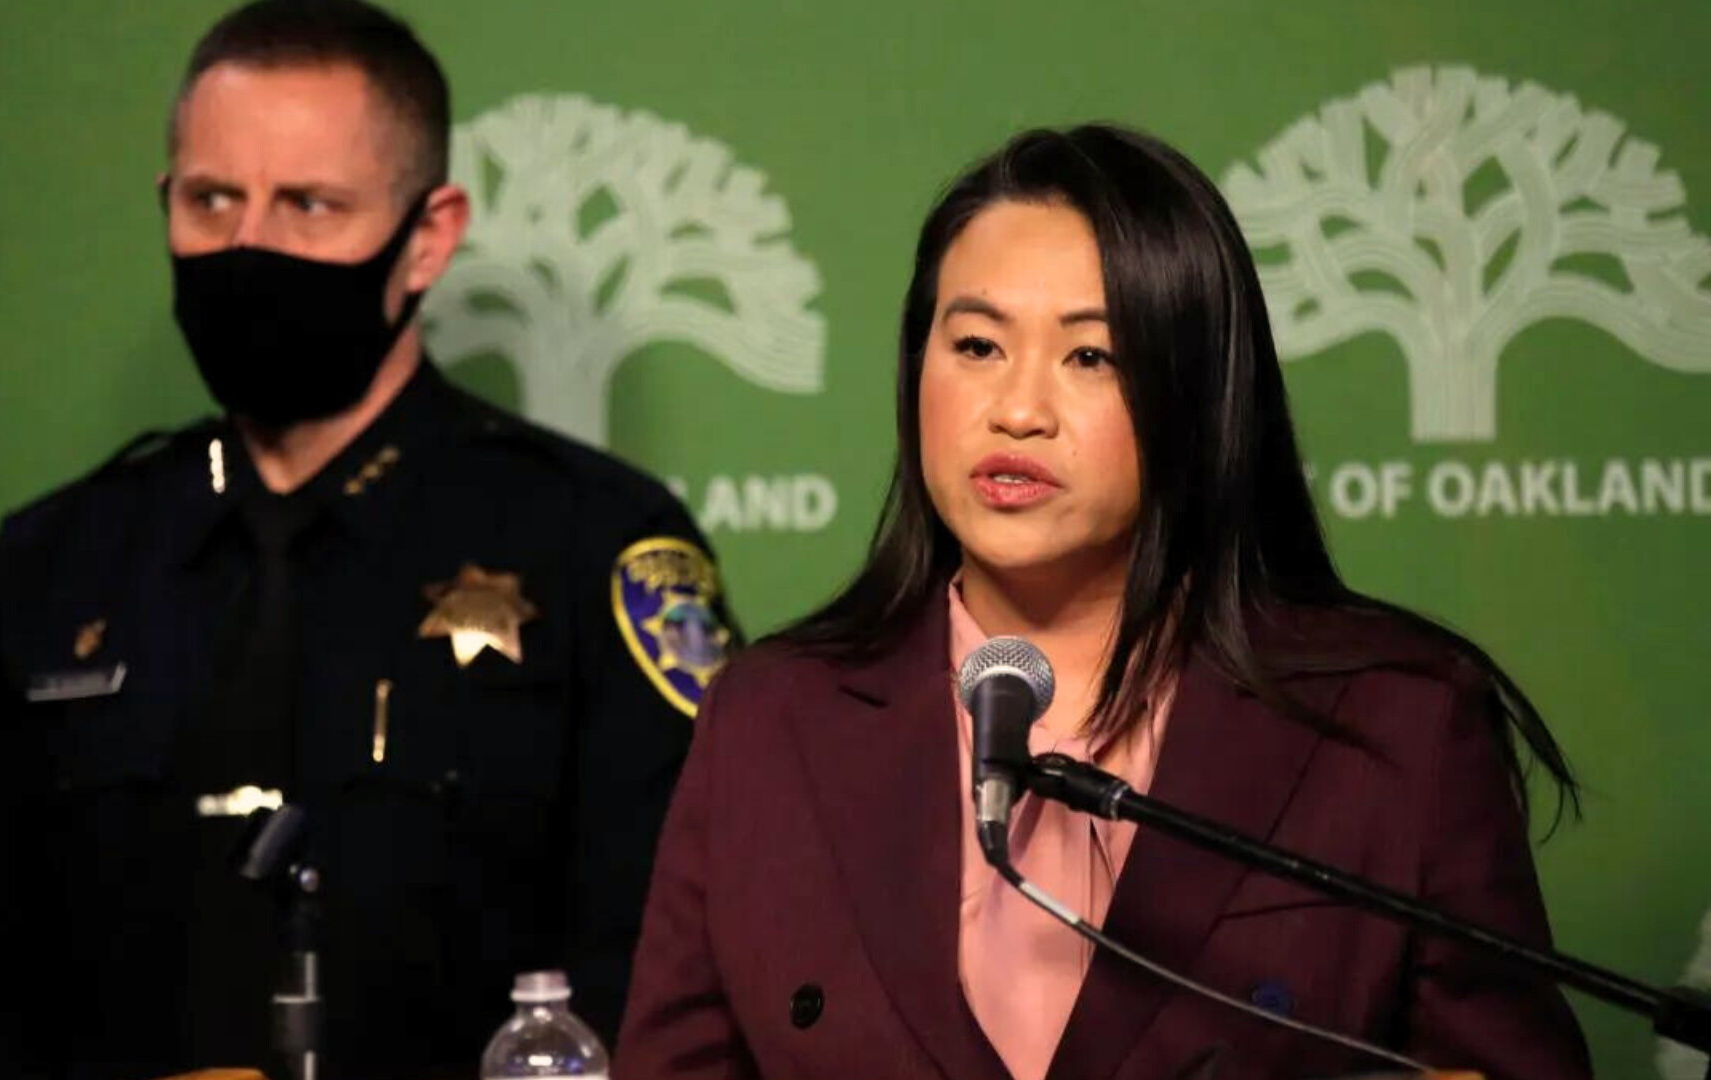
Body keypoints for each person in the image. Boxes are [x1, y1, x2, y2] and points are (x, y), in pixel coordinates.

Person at [614, 125, 1591, 1080]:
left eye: (1092, 357)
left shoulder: (1394, 724)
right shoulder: (771, 717)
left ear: (1197, 394)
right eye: (977, 345)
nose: (1018, 409)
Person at [0, 2, 734, 1077]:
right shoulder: (62, 561)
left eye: (309, 206)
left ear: (428, 235)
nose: (249, 249)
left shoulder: (591, 543)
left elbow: (678, 950)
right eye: (212, 201)